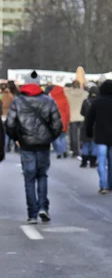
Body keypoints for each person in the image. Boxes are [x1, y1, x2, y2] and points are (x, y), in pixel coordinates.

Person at [6, 71, 61, 224]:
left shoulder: (18, 101)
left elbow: (10, 124)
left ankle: (32, 213)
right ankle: (43, 206)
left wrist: (17, 138)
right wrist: (49, 138)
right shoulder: (48, 101)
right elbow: (57, 124)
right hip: (43, 144)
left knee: (29, 178)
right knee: (42, 175)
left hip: (26, 144)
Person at [85, 80, 112, 194]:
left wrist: (89, 133)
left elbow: (89, 120)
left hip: (101, 136)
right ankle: (111, 183)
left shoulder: (97, 103)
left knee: (102, 161)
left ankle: (103, 184)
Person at [65, 80, 88, 159]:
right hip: (82, 116)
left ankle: (75, 151)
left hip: (72, 117)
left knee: (73, 135)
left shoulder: (68, 94)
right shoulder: (85, 93)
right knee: (81, 135)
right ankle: (82, 148)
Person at [80, 85, 99, 168]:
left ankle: (84, 161)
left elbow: (82, 112)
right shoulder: (99, 102)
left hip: (87, 124)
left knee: (86, 143)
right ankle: (93, 161)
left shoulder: (85, 101)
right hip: (96, 125)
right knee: (94, 143)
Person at [49, 85, 70, 159]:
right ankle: (64, 151)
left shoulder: (51, 100)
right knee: (63, 136)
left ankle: (59, 152)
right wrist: (68, 120)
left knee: (57, 137)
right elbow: (67, 112)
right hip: (63, 119)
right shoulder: (64, 99)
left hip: (55, 119)